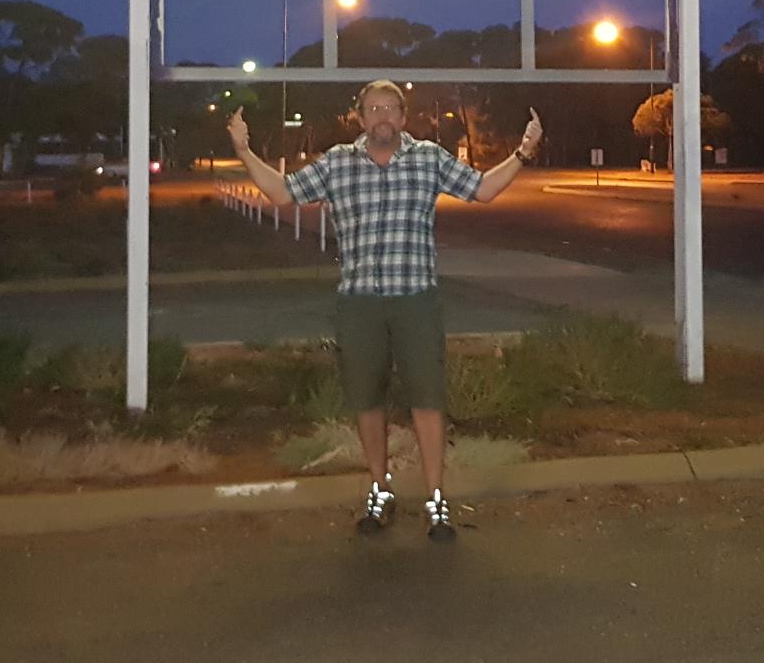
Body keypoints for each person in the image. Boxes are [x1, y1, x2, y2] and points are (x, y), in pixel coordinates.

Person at [227, 80, 543, 541]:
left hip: (416, 299)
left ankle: (437, 500)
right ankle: (380, 489)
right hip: (359, 301)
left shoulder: (428, 158)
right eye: (373, 108)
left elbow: (483, 189)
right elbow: (281, 192)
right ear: (359, 117)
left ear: (403, 116)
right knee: (367, 401)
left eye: (391, 108)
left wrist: (523, 152)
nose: (382, 116)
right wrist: (243, 150)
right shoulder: (338, 162)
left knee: (427, 401)